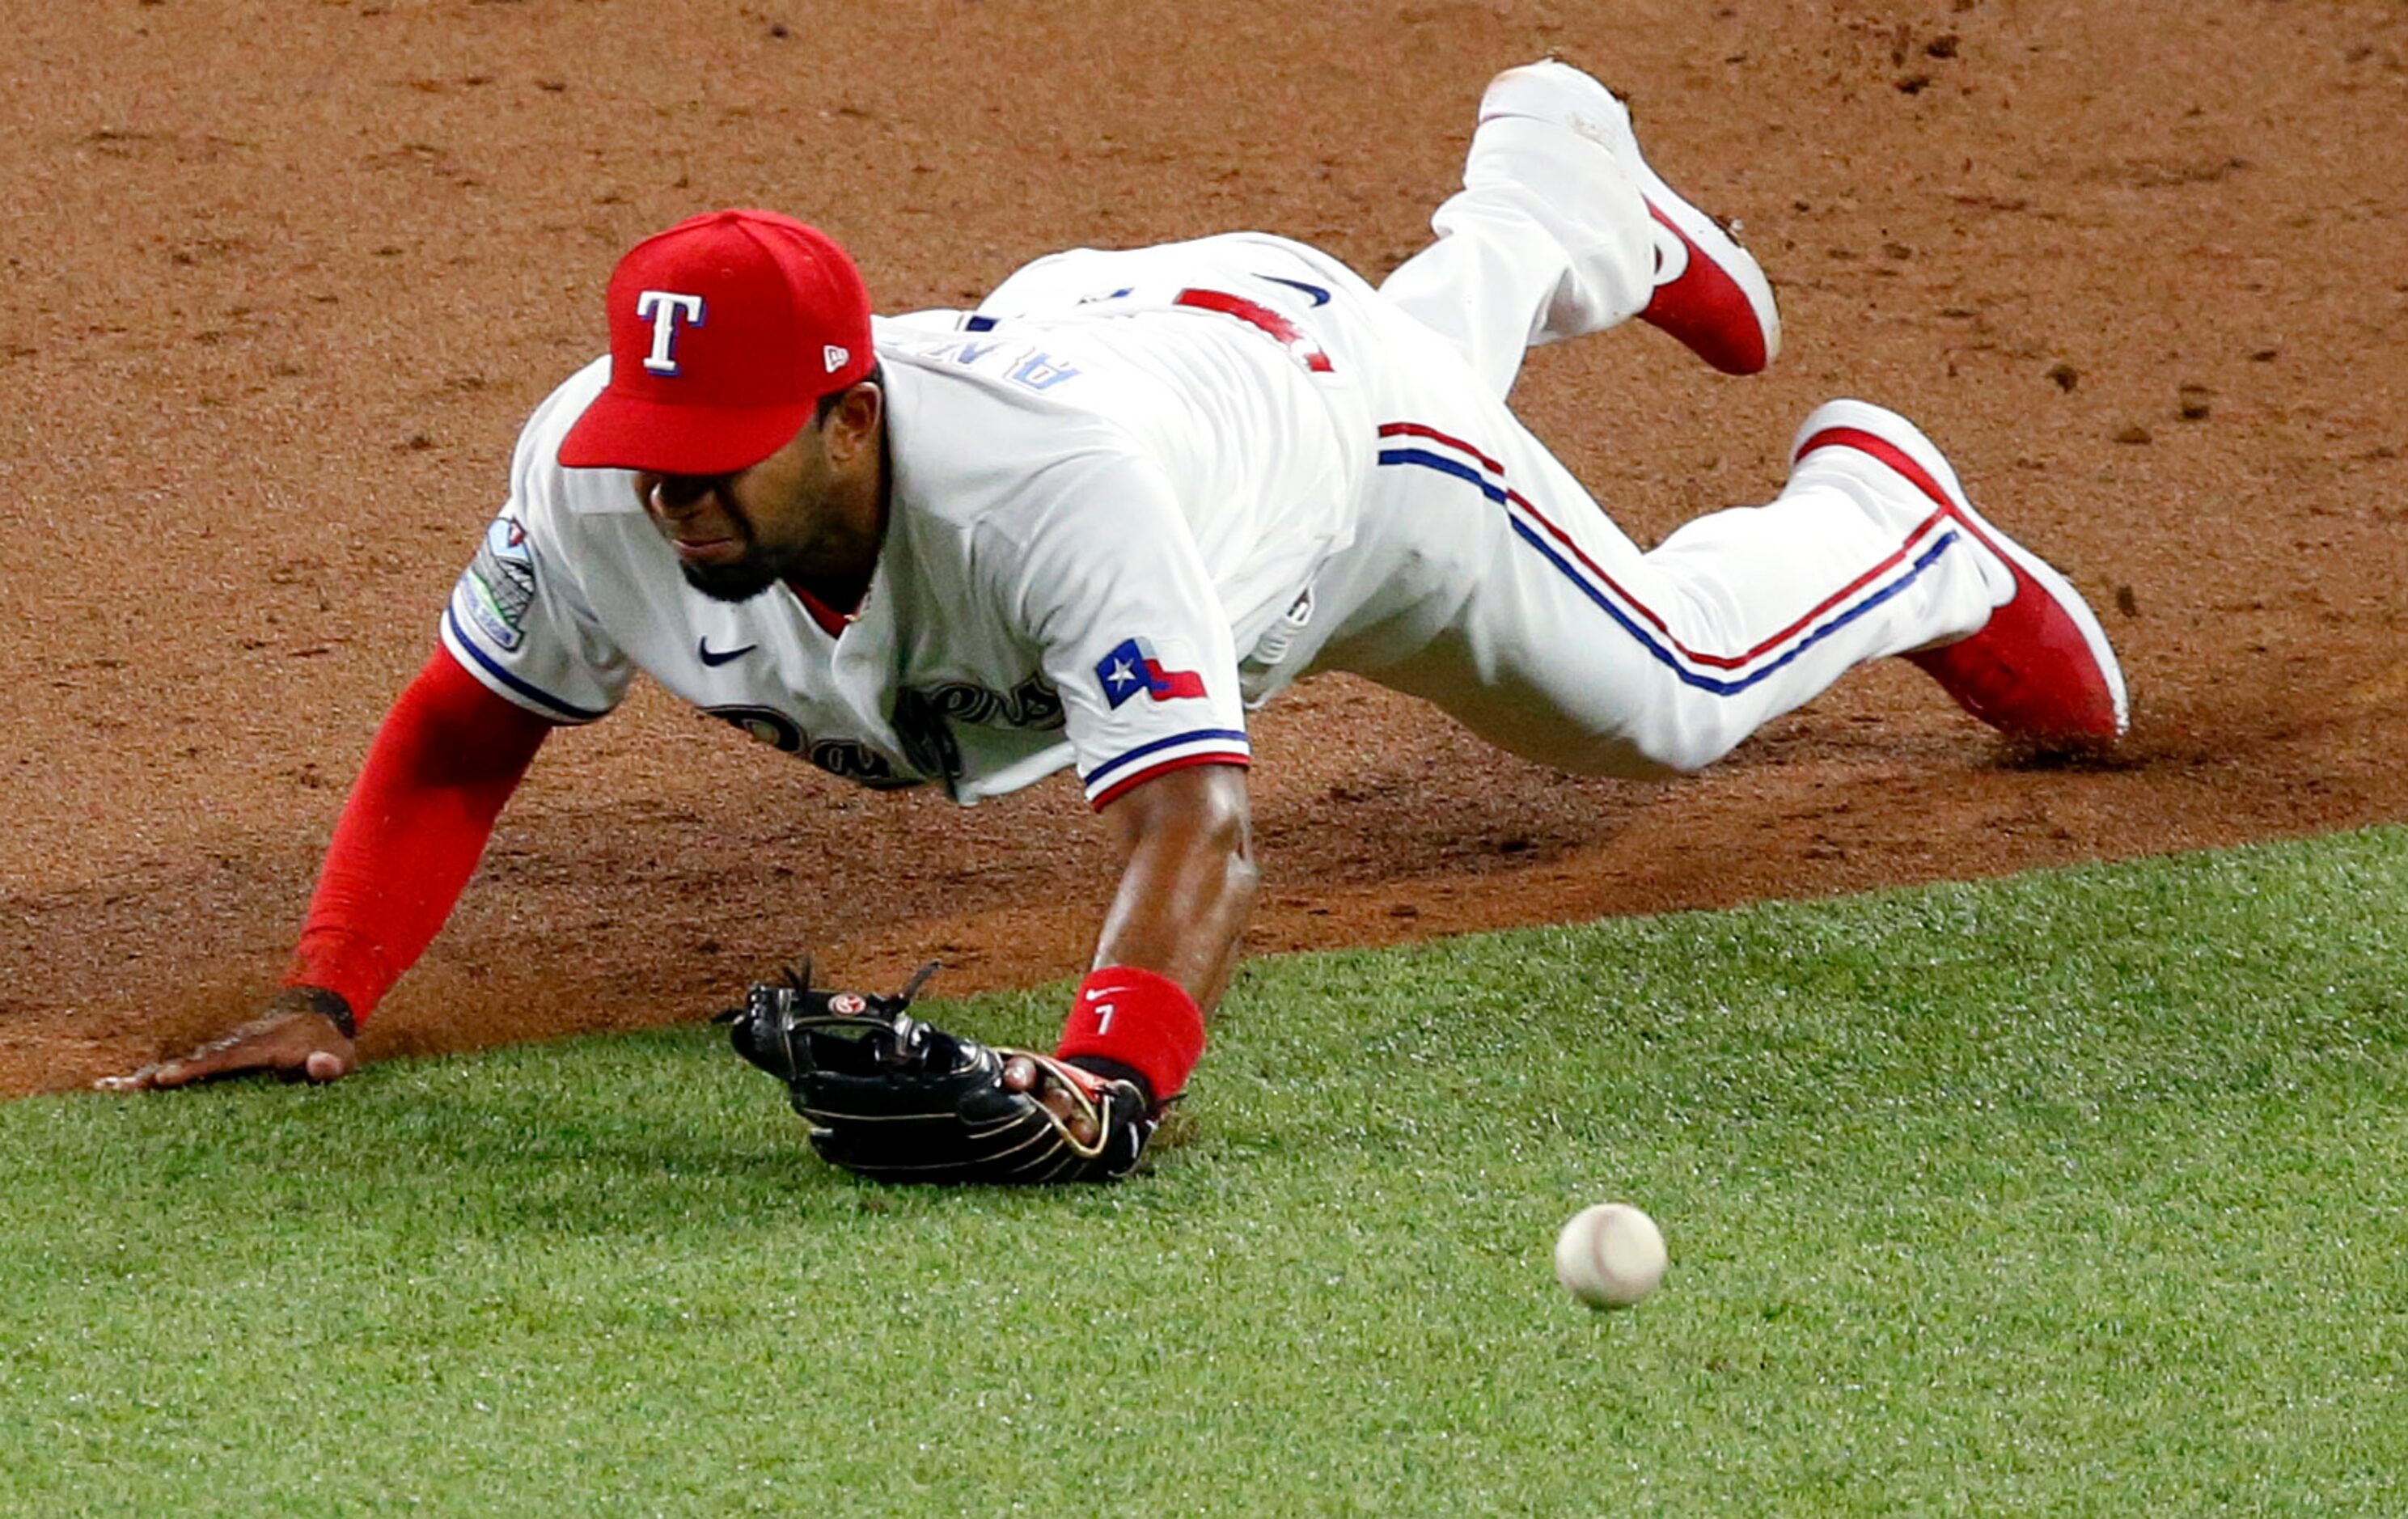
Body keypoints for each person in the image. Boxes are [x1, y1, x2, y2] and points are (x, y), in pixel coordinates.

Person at [103, 61, 2126, 1179]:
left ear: (846, 409)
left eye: (720, 451)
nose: (673, 491)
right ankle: (1550, 206)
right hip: (1136, 341)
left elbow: (1192, 826)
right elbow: (470, 720)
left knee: (1663, 702)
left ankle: (1890, 520)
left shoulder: (1058, 506)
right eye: (656, 445)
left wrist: (1110, 1077)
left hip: (1338, 471)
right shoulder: (599, 480)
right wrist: (329, 984)